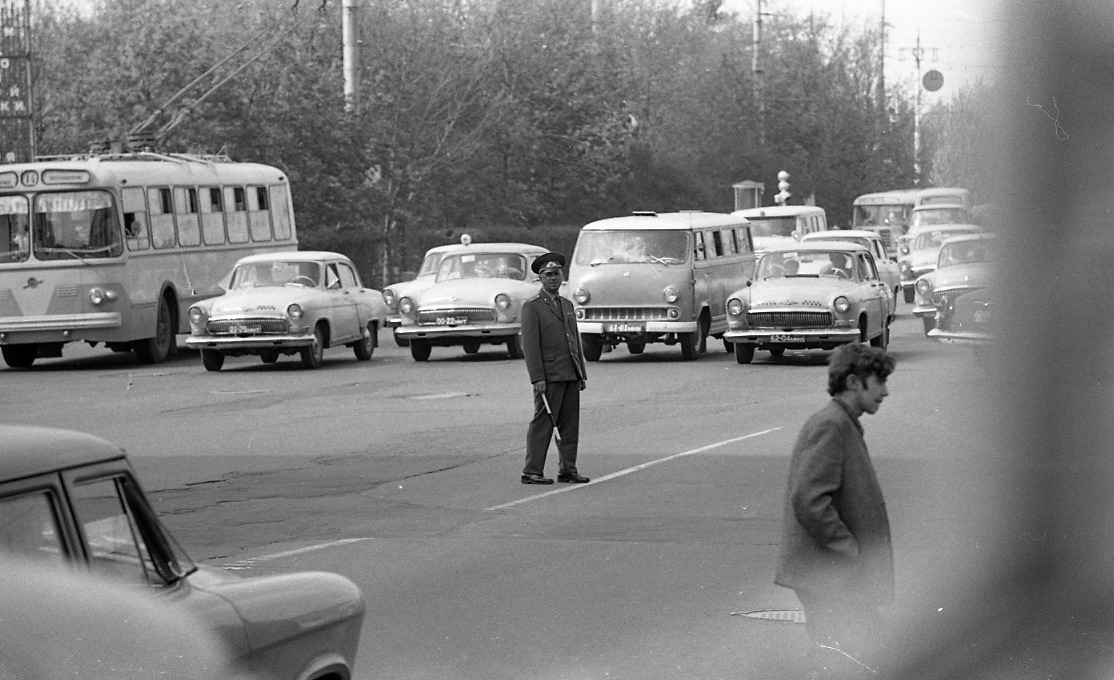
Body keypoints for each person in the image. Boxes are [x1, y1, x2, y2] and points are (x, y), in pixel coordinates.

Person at [774, 343, 896, 678]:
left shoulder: (844, 422)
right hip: (829, 576)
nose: (885, 392)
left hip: (837, 576)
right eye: (879, 382)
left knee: (856, 652)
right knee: (845, 654)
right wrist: (850, 549)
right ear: (854, 382)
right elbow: (809, 500)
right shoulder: (832, 425)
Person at [519, 252, 588, 485]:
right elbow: (530, 346)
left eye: (557, 274)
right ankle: (532, 470)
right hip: (549, 376)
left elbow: (574, 341)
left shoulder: (567, 305)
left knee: (569, 425)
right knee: (544, 423)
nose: (553, 279)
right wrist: (537, 378)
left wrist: (580, 373)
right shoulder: (533, 307)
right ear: (540, 278)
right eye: (548, 275)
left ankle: (568, 469)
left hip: (569, 372)